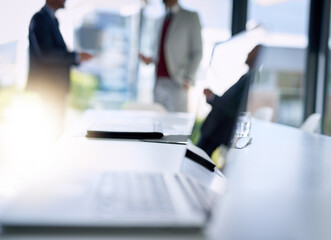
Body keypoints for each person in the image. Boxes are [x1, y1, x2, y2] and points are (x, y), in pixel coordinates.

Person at [26, 0, 93, 139]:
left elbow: (54, 51)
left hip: (56, 86)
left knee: (56, 130)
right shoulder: (40, 18)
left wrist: (77, 58)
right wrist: (75, 57)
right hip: (49, 86)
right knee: (51, 132)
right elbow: (46, 54)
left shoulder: (52, 20)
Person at [197, 45, 261, 156]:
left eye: (252, 52)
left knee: (198, 158)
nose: (248, 54)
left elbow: (234, 108)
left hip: (218, 129)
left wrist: (212, 97)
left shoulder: (251, 80)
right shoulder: (247, 77)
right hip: (215, 128)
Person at [139, 0, 202, 112]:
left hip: (178, 82)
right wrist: (151, 59)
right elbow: (163, 51)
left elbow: (197, 52)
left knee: (177, 125)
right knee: (158, 124)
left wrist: (188, 78)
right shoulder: (160, 19)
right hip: (159, 82)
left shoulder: (190, 17)